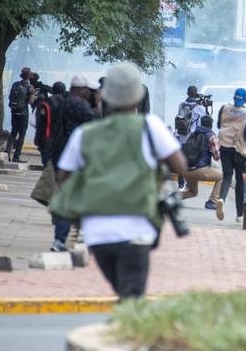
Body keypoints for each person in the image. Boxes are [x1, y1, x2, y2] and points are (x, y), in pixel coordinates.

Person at [51, 62, 188, 300]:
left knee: (125, 294)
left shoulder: (85, 134)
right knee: (132, 299)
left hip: (97, 233)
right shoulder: (150, 126)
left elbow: (63, 176)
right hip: (138, 229)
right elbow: (180, 166)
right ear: (138, 96)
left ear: (103, 96)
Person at [48, 74, 99, 252]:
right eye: (89, 91)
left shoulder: (61, 100)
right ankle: (69, 237)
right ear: (82, 90)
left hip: (59, 152)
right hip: (75, 156)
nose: (90, 94)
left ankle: (60, 239)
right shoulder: (78, 104)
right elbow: (98, 122)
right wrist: (99, 103)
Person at [216, 88, 246, 223]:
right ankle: (240, 215)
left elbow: (218, 124)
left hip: (225, 147)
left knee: (226, 176)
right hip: (239, 150)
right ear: (244, 100)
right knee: (240, 182)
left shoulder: (224, 108)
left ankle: (221, 199)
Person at [180, 114, 223, 212]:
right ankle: (212, 201)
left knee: (192, 192)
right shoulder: (211, 136)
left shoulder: (192, 134)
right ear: (211, 125)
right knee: (222, 176)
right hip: (200, 170)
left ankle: (173, 197)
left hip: (186, 170)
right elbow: (217, 156)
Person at [5, 67, 35, 163]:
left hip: (14, 112)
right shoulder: (30, 87)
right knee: (21, 135)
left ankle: (7, 153)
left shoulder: (15, 84)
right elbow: (31, 102)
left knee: (13, 133)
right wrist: (34, 97)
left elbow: (10, 97)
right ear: (29, 76)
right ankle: (16, 156)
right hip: (23, 114)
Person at [34, 81, 66, 166]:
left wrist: (38, 139)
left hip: (45, 139)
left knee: (47, 165)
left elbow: (39, 122)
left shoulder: (45, 103)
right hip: (61, 140)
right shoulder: (67, 103)